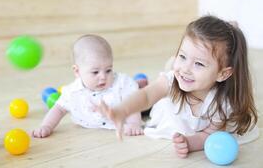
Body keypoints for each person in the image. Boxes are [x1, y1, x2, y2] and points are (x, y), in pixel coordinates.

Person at [97, 15, 259, 158]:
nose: (186, 68)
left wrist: (189, 143)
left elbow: (208, 134)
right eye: (182, 56)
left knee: (172, 72)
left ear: (222, 74)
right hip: (170, 101)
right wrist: (121, 111)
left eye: (199, 64)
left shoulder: (222, 103)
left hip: (188, 105)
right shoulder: (174, 78)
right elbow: (146, 96)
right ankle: (161, 69)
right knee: (162, 84)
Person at [32, 34, 143, 138]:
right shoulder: (72, 92)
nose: (103, 77)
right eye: (95, 72)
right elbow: (59, 109)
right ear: (77, 71)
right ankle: (141, 82)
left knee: (146, 100)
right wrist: (47, 126)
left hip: (136, 107)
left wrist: (134, 123)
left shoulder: (121, 85)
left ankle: (141, 83)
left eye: (108, 70)